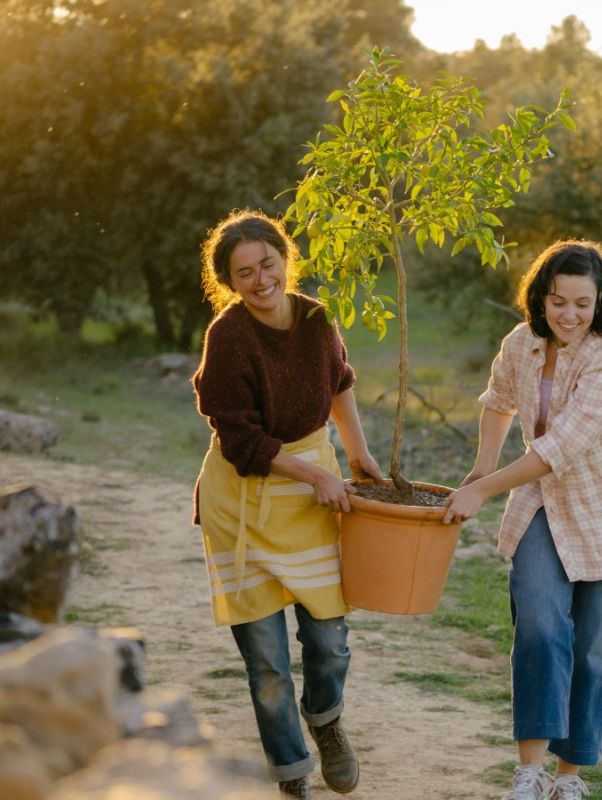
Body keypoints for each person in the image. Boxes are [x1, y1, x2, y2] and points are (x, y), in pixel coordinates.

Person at [441, 240, 602, 800]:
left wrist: (485, 492)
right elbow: (498, 400)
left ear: (601, 301)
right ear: (540, 298)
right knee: (539, 627)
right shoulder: (522, 344)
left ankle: (568, 779)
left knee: (596, 647)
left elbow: (562, 446)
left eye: (581, 304)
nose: (568, 315)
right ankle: (529, 773)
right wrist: (481, 467)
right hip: (542, 503)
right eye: (557, 301)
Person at [192, 210, 383, 799]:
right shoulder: (227, 338)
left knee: (328, 639)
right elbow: (240, 439)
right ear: (228, 280)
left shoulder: (316, 318)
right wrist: (308, 473)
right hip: (243, 502)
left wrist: (357, 458)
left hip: (309, 497)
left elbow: (340, 382)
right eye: (243, 272)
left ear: (285, 258)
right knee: (269, 665)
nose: (259, 279)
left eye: (266, 263)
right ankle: (291, 773)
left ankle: (326, 724)